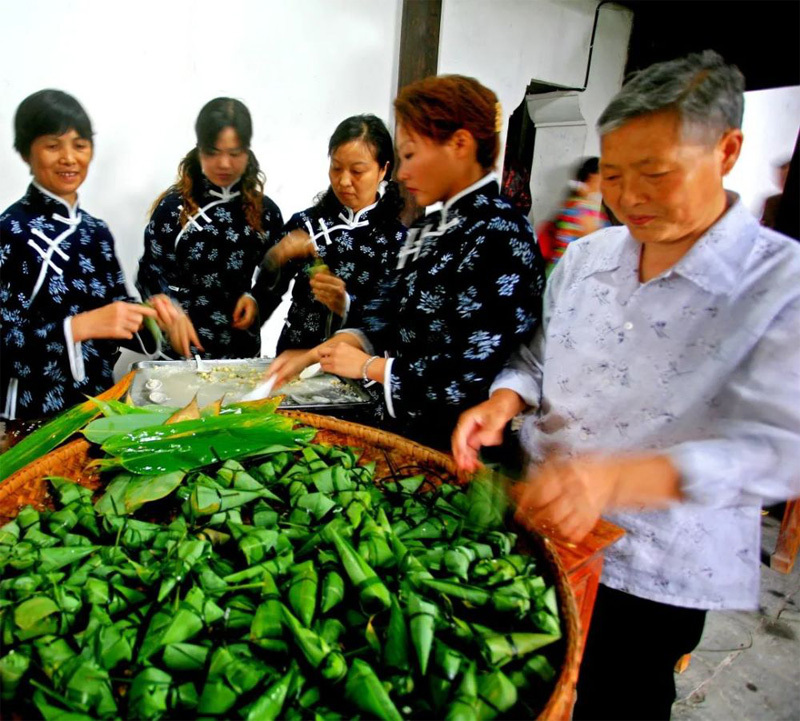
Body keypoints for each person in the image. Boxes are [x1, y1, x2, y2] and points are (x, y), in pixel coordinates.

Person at [453, 50, 800, 720]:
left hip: (657, 566)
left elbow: (778, 449)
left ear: (727, 151)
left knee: (620, 695)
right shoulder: (587, 258)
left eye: (656, 173)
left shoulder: (778, 282)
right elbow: (538, 355)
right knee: (528, 690)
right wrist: (504, 400)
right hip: (540, 526)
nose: (630, 196)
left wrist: (613, 481)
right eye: (613, 174)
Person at [267, 75, 546, 450]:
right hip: (398, 427)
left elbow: (472, 371)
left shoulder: (500, 233)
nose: (402, 173)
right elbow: (383, 314)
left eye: (411, 155)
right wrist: (318, 353)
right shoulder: (429, 229)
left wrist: (370, 366)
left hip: (460, 441)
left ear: (460, 145)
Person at [0, 90, 178, 420]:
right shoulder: (9, 231)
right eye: (53, 146)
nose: (69, 158)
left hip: (97, 406)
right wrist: (77, 327)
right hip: (30, 417)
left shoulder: (96, 232)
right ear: (26, 152)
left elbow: (116, 311)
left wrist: (151, 317)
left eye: (80, 145)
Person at [136, 97, 283, 359]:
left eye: (234, 153)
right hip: (183, 351)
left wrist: (256, 300)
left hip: (242, 354)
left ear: (247, 152)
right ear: (200, 150)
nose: (224, 163)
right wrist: (169, 309)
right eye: (213, 152)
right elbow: (150, 272)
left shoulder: (265, 212)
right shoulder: (175, 208)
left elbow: (275, 275)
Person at [251, 114, 406, 352]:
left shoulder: (398, 242)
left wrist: (346, 305)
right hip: (295, 356)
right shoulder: (306, 223)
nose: (343, 181)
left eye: (357, 171)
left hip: (355, 364)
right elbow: (267, 292)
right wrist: (276, 257)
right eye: (336, 168)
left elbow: (397, 322)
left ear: (383, 170)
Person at [546, 156, 609, 271]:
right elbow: (594, 241)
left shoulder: (572, 201)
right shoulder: (586, 207)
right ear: (593, 177)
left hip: (560, 267)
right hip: (570, 270)